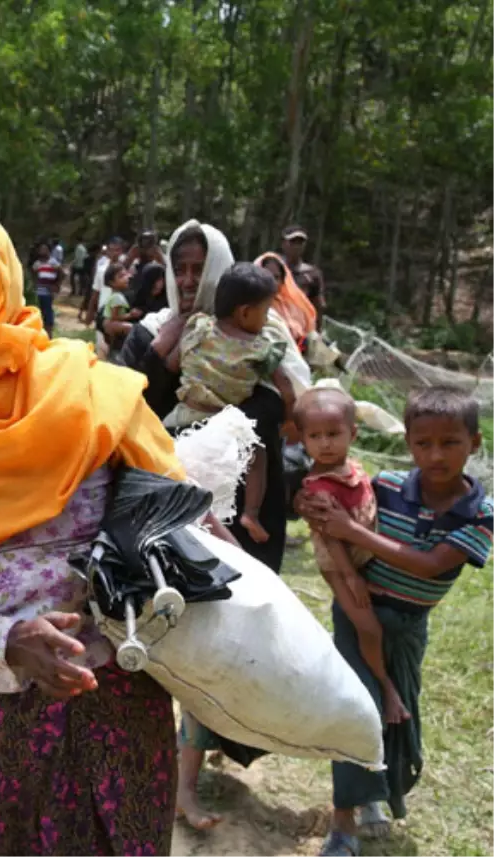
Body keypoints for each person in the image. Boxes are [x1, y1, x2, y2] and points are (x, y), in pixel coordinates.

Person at [0, 201, 214, 855]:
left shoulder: (88, 391)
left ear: (0, 283)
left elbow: (180, 516)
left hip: (122, 703)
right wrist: (7, 643)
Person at [115, 220, 312, 830]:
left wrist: (249, 406)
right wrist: (159, 349)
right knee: (166, 631)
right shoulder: (161, 328)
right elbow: (123, 403)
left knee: (223, 635)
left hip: (246, 499)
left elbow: (295, 406)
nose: (190, 278)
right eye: (181, 267)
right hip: (169, 498)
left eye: (202, 267)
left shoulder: (268, 333)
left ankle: (192, 769)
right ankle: (164, 771)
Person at [298, 387, 493, 857]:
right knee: (354, 707)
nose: (435, 454)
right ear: (408, 443)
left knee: (396, 715)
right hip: (358, 613)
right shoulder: (383, 486)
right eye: (423, 444)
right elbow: (330, 501)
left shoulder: (482, 514)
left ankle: (375, 796)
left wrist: (352, 530)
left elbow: (429, 565)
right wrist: (315, 510)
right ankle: (343, 823)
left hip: (407, 628)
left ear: (476, 443)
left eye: (450, 443)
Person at [294, 387, 409, 726]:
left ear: (353, 434)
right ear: (302, 440)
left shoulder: (353, 469)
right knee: (369, 629)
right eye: (315, 436)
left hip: (364, 555)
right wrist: (350, 576)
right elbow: (332, 539)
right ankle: (386, 688)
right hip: (340, 564)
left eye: (333, 434)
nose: (325, 443)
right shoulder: (316, 488)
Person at [166, 263, 296, 543]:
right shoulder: (261, 347)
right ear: (245, 312)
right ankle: (250, 512)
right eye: (266, 310)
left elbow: (172, 362)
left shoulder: (198, 327)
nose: (267, 318)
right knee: (258, 453)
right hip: (224, 424)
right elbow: (287, 387)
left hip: (182, 416)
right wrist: (289, 418)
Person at [257, 252, 317, 351]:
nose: (272, 281)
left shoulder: (290, 305)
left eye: (276, 277)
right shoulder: (252, 307)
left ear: (282, 280)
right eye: (267, 275)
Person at [281, 225, 326, 329]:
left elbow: (319, 305)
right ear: (283, 244)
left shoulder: (312, 273)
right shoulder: (274, 269)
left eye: (300, 242)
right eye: (292, 242)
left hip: (301, 326)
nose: (297, 246)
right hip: (277, 323)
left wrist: (317, 331)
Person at [97, 262, 137, 361]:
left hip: (110, 323)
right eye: (121, 276)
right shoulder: (118, 298)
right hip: (112, 323)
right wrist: (131, 315)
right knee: (132, 329)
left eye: (126, 274)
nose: (127, 278)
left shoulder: (116, 295)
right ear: (112, 283)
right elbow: (115, 317)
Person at [30, 241, 61, 337]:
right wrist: (35, 284)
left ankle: (49, 334)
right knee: (39, 312)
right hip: (39, 291)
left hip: (48, 292)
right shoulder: (37, 264)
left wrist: (56, 285)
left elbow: (61, 273)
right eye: (41, 249)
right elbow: (34, 274)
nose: (43, 251)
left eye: (45, 249)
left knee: (48, 313)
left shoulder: (53, 262)